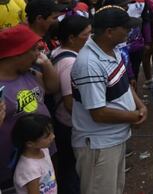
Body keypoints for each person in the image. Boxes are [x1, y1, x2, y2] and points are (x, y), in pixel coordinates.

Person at [70, 6, 146, 194]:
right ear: (109, 32)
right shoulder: (89, 64)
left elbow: (123, 82)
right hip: (98, 144)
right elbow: (98, 113)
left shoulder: (113, 49)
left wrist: (140, 105)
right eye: (125, 28)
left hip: (113, 138)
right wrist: (133, 117)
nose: (130, 31)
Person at [0, 25, 59, 190]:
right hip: (12, 168)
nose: (37, 54)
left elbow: (53, 87)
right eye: (33, 50)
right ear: (15, 54)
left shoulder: (29, 72)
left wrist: (46, 64)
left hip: (42, 152)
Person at [50, 15, 91, 194]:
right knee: (72, 172)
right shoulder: (70, 63)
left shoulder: (57, 52)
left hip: (63, 123)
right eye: (86, 35)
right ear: (72, 38)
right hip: (69, 125)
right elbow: (69, 103)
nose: (89, 38)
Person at [12, 113, 57, 194]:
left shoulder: (44, 150)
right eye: (47, 136)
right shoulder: (29, 169)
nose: (53, 136)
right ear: (30, 143)